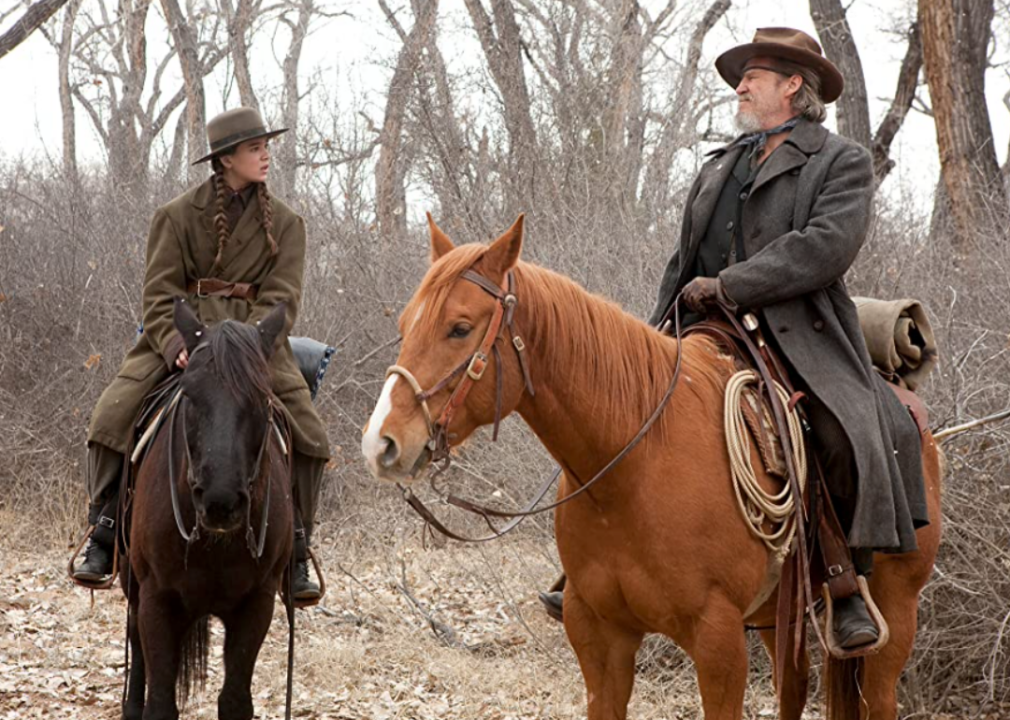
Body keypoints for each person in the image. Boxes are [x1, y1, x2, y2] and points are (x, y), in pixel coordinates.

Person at [540, 28, 928, 649]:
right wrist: (652, 333)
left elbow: (823, 248)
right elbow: (683, 258)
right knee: (616, 420)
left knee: (832, 428)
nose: (740, 87)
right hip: (701, 331)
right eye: (741, 77)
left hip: (798, 333)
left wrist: (731, 285)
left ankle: (842, 585)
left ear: (793, 84)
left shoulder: (840, 161)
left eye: (752, 76)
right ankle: (588, 572)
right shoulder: (721, 164)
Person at [73, 108, 331, 601]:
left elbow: (283, 298)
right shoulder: (174, 216)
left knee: (310, 433)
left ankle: (297, 545)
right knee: (111, 414)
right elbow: (158, 295)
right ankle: (103, 529)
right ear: (226, 159)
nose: (265, 154)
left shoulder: (290, 224)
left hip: (256, 344)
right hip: (182, 335)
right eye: (255, 148)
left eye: (265, 146)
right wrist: (176, 344)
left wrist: (251, 349)